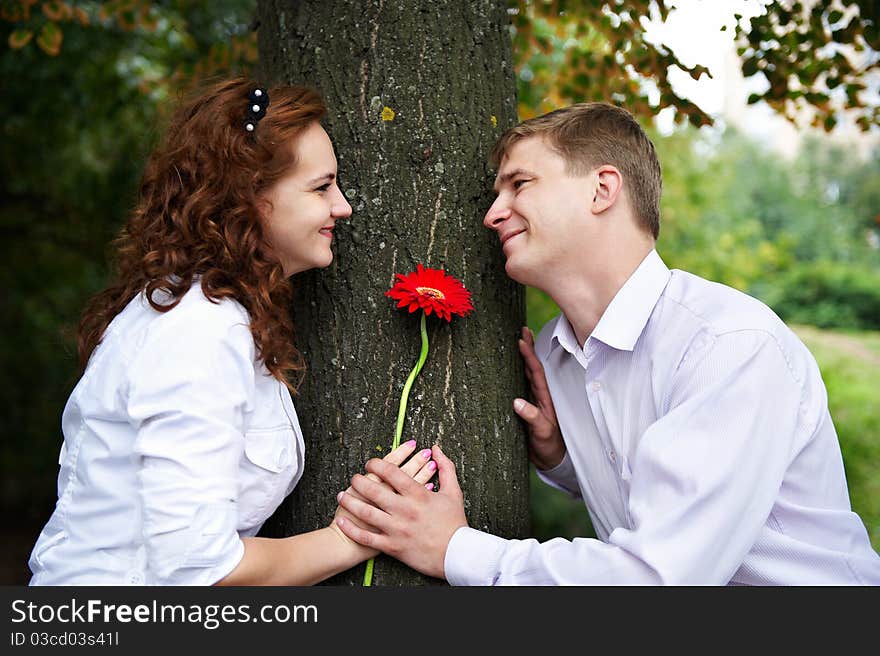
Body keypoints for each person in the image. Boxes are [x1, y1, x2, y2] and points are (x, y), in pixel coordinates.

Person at [335, 102, 880, 585]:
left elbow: (661, 577)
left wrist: (455, 550)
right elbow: (654, 485)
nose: (492, 213)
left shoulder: (728, 346)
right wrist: (561, 457)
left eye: (519, 185)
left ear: (602, 189)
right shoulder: (553, 354)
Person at [28, 77, 437, 586]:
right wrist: (353, 537)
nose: (343, 206)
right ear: (249, 197)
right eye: (321, 187)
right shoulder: (196, 332)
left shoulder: (218, 316)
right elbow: (201, 570)